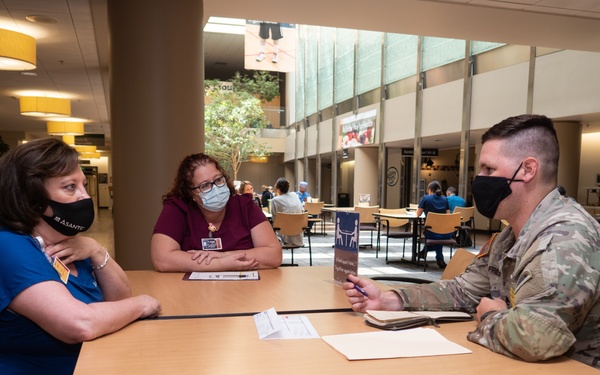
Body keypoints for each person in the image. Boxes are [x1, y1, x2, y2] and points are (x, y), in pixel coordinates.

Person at [344, 114, 600, 369]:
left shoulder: (566, 236)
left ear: (528, 170)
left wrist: (490, 314)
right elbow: (461, 291)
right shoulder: (508, 238)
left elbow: (536, 338)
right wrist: (389, 299)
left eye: (489, 169)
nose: (480, 178)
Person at [0, 137, 161, 374]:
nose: (85, 196)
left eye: (83, 185)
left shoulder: (67, 242)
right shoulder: (8, 245)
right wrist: (145, 303)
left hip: (95, 362)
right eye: (70, 187)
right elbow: (80, 324)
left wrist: (96, 251)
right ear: (32, 198)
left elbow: (119, 300)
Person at [151, 153, 282, 272]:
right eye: (205, 185)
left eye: (218, 180)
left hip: (246, 291)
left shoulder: (245, 206)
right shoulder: (177, 208)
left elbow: (274, 255)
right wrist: (222, 263)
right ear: (191, 193)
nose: (215, 188)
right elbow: (161, 259)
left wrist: (224, 255)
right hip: (194, 293)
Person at [416, 180, 451, 268]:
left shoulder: (426, 198)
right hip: (446, 233)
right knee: (438, 233)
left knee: (435, 233)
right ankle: (439, 258)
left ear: (430, 190)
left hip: (431, 233)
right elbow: (448, 216)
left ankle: (424, 252)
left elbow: (418, 214)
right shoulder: (445, 199)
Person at [270, 178, 304, 246]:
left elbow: (275, 220)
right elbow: (302, 210)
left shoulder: (275, 200)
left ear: (277, 188)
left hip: (284, 237)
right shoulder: (295, 195)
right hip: (298, 235)